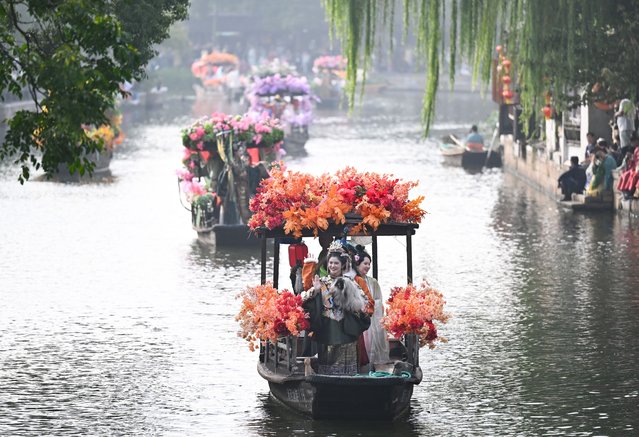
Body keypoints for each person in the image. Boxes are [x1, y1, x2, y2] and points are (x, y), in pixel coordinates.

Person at [301, 251, 371, 375]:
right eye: (331, 263)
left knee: (347, 362)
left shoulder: (350, 282)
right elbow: (304, 299)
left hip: (346, 327)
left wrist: (351, 301)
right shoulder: (321, 282)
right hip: (327, 327)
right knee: (327, 363)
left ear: (342, 265)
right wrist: (315, 291)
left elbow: (363, 301)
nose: (333, 266)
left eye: (336, 263)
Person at [353, 245, 390, 369]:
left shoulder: (373, 282)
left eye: (369, 264)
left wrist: (371, 307)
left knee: (373, 341)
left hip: (371, 316)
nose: (368, 267)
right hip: (358, 318)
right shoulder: (352, 280)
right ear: (357, 264)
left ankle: (372, 364)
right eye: (365, 263)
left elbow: (379, 300)